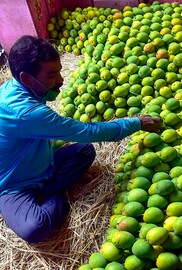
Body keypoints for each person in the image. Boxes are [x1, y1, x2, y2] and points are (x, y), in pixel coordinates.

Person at [0, 35, 163, 243]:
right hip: (15, 184)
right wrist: (136, 123)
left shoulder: (17, 89)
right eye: (52, 75)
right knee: (35, 229)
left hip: (42, 164)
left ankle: (49, 188)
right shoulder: (26, 112)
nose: (61, 80)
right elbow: (87, 131)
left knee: (85, 151)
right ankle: (55, 192)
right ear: (26, 78)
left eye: (59, 71)